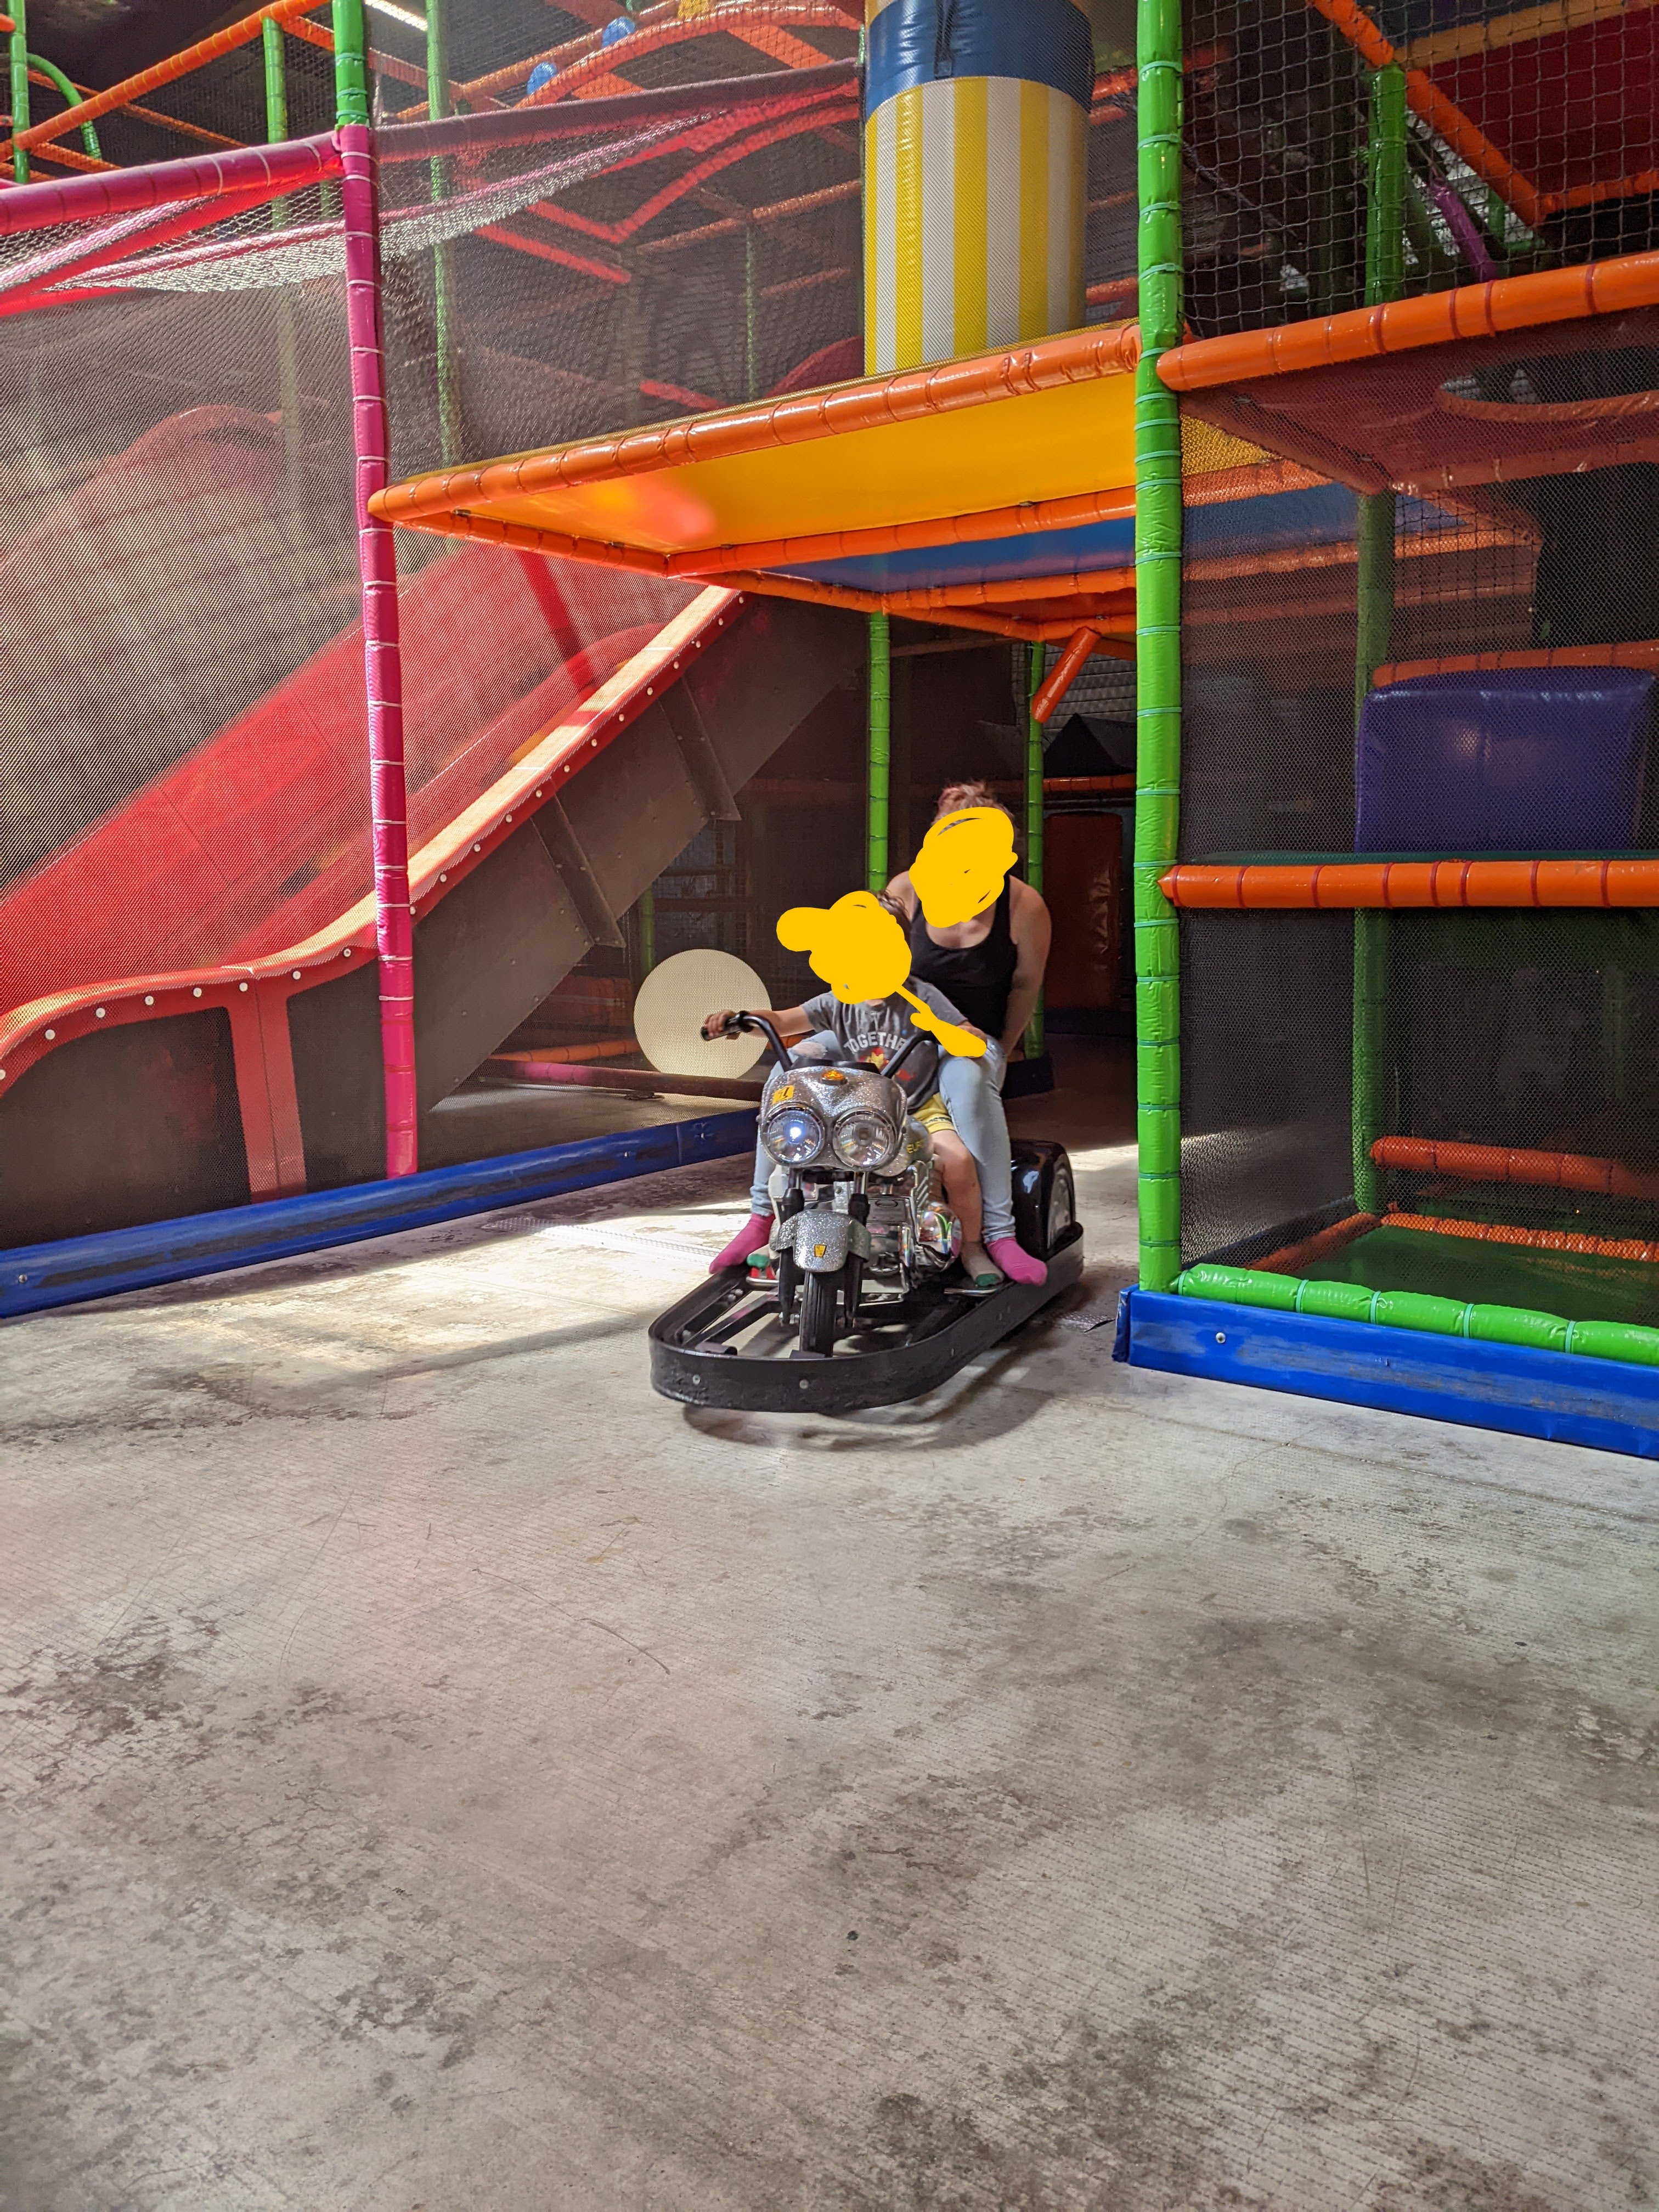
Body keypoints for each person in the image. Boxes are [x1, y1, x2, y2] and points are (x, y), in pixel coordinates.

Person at [701, 926, 1005, 1289]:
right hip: (858, 1111)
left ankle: (972, 1246)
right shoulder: (837, 1001)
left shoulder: (920, 995)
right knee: (798, 1160)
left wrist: (954, 1033)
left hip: (918, 1107)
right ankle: (781, 1231)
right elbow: (782, 1021)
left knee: (958, 1162)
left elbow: (967, 1030)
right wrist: (741, 1019)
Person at [885, 782, 1052, 1288]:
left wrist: (998, 1050)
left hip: (974, 1044)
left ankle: (999, 1234)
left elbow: (1025, 987)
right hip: (905, 1041)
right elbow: (875, 971)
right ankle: (771, 1217)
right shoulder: (908, 890)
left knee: (969, 1075)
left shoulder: (1023, 905)